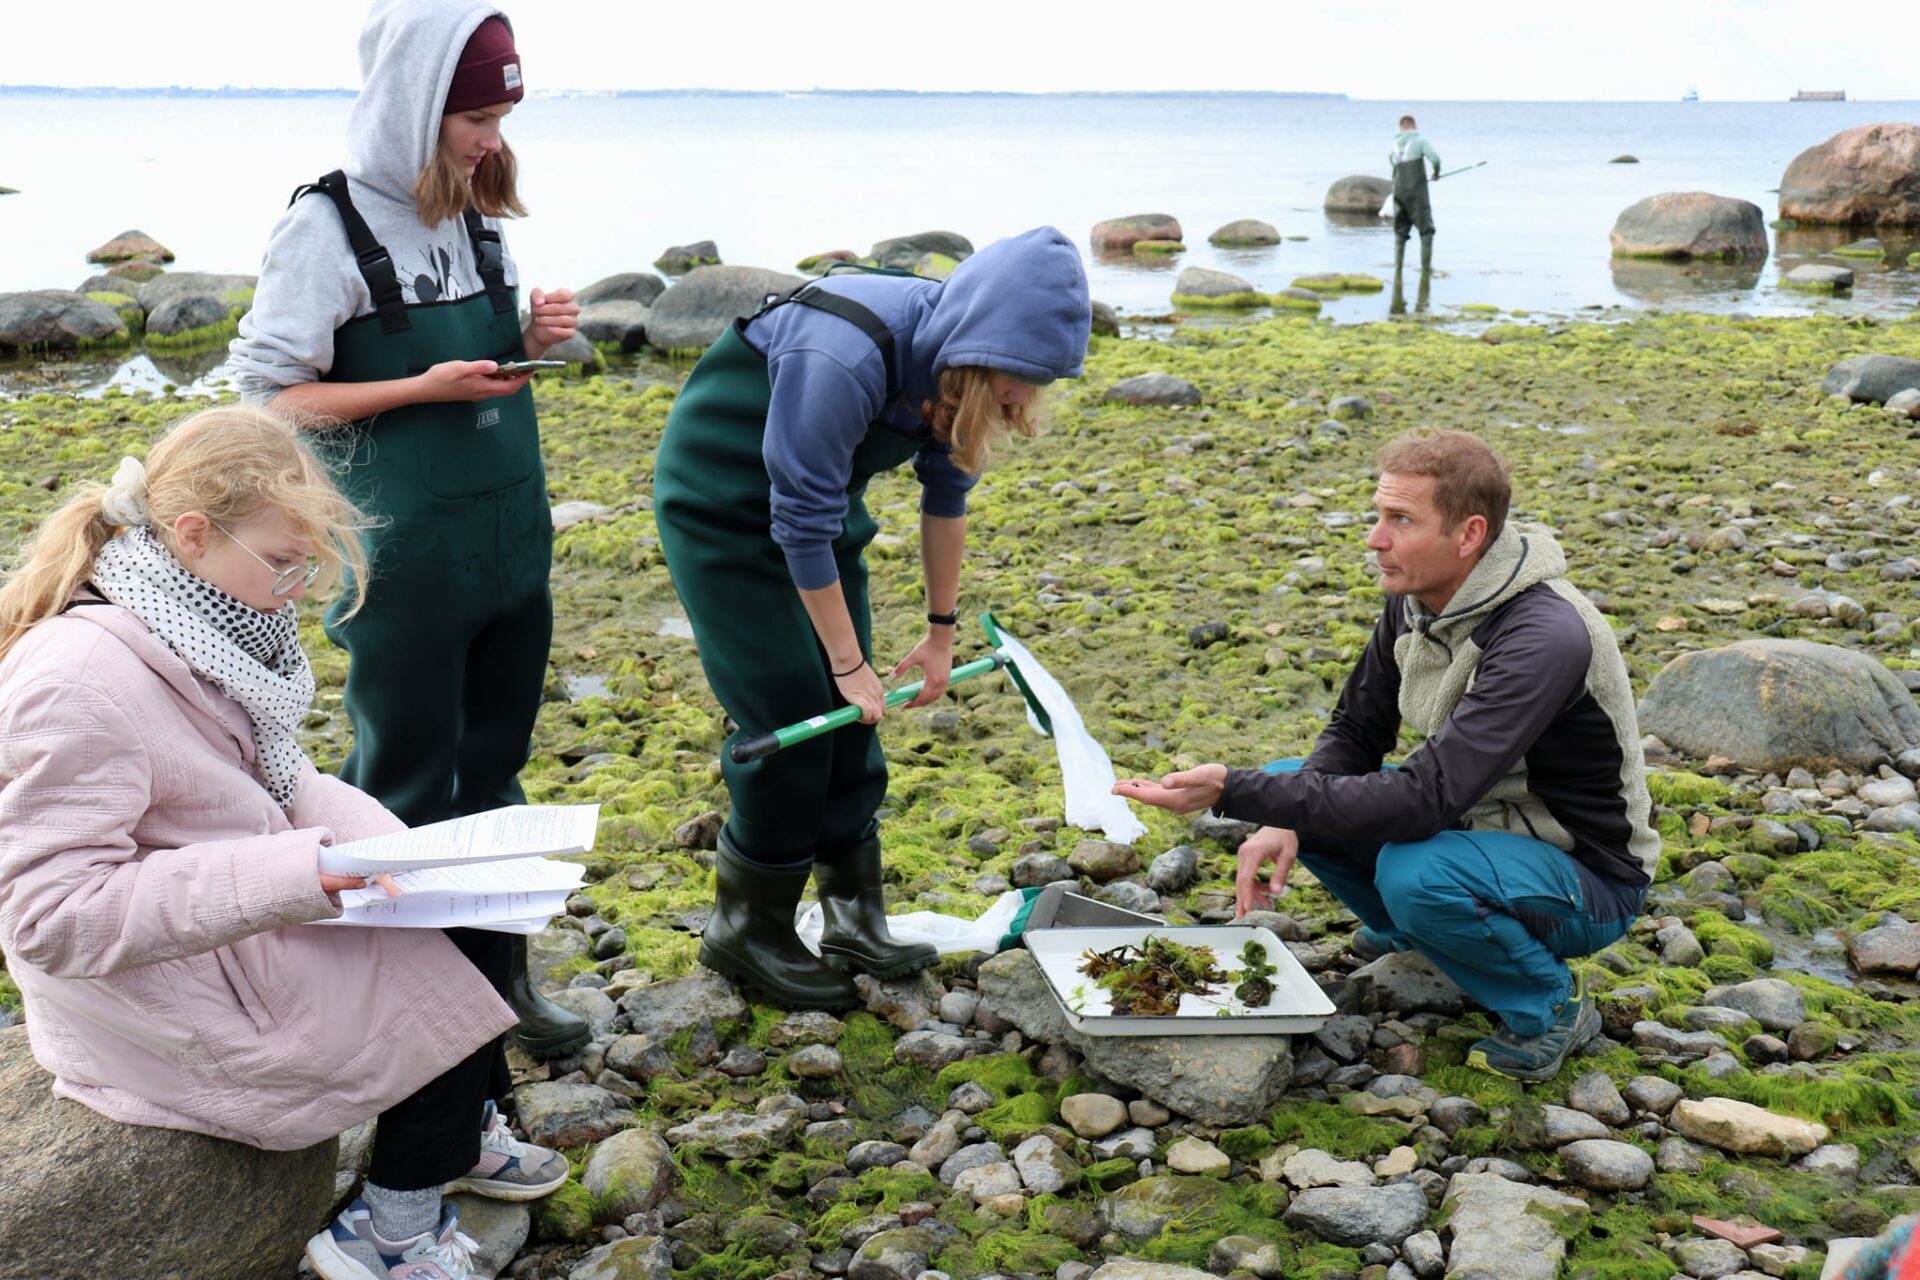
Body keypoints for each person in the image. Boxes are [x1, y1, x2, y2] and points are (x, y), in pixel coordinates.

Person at [0, 406, 567, 1280]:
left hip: (222, 928)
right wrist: (301, 873)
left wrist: (409, 855)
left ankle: (459, 1132)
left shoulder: (194, 613)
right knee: (446, 951)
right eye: (284, 561)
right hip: (155, 993)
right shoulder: (78, 681)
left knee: (479, 910)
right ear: (192, 532)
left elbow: (279, 778)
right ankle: (390, 1231)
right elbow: (50, 921)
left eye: (309, 563)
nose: (299, 587)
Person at [226, 0, 588, 1058]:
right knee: (402, 785)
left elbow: (484, 367)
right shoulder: (324, 228)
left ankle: (499, 988)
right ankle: (402, 1016)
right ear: (413, 108)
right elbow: (267, 398)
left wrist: (531, 339)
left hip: (511, 547)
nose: (491, 140)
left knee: (497, 771)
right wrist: (419, 387)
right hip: (402, 558)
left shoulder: (477, 212)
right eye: (474, 118)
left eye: (500, 118)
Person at [1115, 429, 1658, 1082]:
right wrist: (1282, 814)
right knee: (1295, 787)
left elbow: (1424, 800)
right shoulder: (1416, 599)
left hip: (1589, 876)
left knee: (1416, 874)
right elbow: (1355, 731)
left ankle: (1549, 1002)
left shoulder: (1544, 636)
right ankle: (1433, 940)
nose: (1375, 539)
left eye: (1400, 520)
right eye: (1378, 515)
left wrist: (1232, 789)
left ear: (1469, 534)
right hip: (1479, 825)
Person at [653, 229, 1091, 1011]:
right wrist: (848, 664)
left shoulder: (959, 368)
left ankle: (855, 919)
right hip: (723, 511)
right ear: (980, 345)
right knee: (795, 717)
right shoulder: (844, 354)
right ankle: (747, 930)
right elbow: (797, 520)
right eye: (1018, 379)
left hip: (819, 519)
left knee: (857, 721)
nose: (1022, 398)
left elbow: (945, 498)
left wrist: (940, 634)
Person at [1390, 113, 1441, 274]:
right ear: (1415, 126)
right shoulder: (1420, 141)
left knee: (1400, 231)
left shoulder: (1394, 145)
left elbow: (1392, 163)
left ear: (1401, 127)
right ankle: (1426, 270)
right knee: (1426, 231)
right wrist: (1436, 173)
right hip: (1417, 193)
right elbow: (1435, 159)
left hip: (1398, 191)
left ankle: (1398, 271)